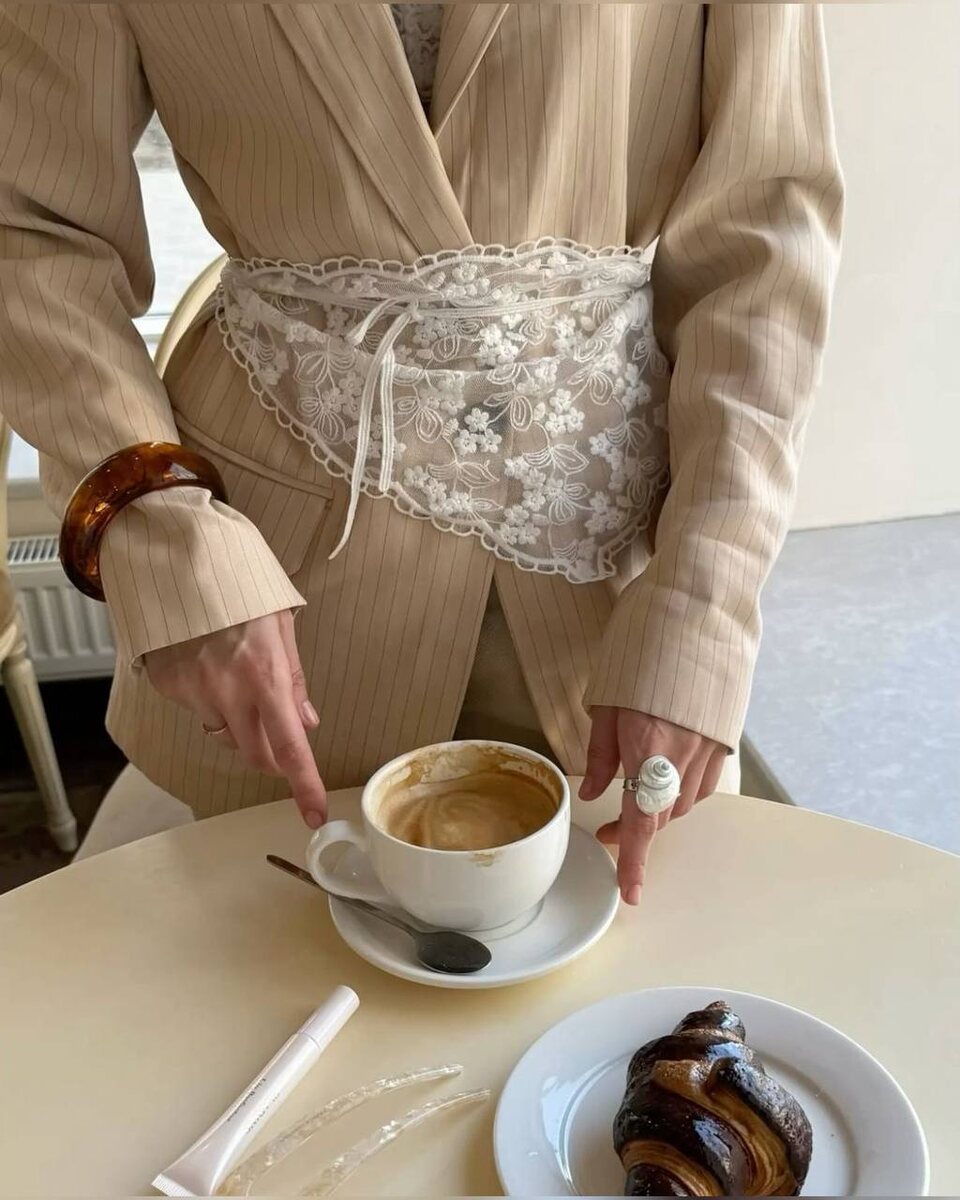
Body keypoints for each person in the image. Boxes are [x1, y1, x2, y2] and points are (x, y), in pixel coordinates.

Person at [0, 4, 843, 903]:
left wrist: (706, 597)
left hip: (615, 575)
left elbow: (763, 243)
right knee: (271, 958)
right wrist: (162, 534)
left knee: (635, 961)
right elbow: (32, 231)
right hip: (265, 570)